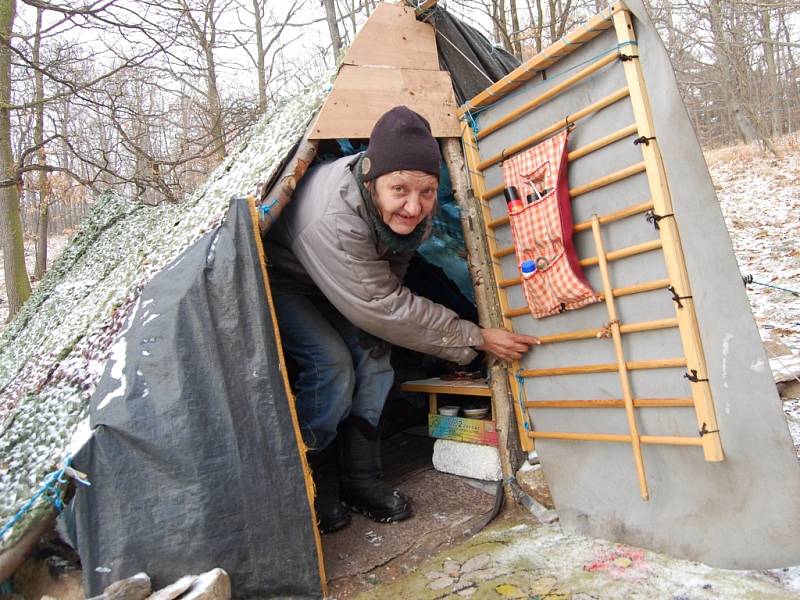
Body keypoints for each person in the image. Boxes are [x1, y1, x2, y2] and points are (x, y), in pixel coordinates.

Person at [266, 106, 538, 533]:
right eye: (400, 190)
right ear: (371, 179)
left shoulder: (412, 213)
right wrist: (476, 337)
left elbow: (392, 274)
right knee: (330, 365)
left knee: (375, 359)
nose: (414, 206)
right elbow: (384, 304)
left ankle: (360, 478)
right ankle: (310, 482)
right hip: (285, 279)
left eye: (427, 191)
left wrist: (384, 326)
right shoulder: (337, 219)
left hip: (348, 281)